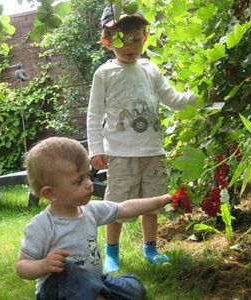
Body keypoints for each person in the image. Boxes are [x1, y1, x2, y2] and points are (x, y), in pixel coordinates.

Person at [87, 4, 197, 273]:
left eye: (136, 39)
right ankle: (112, 253)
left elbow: (173, 99)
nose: (130, 46)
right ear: (106, 41)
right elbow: (93, 114)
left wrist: (199, 97)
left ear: (145, 37)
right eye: (121, 40)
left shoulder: (151, 70)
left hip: (152, 151)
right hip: (120, 154)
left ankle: (150, 248)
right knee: (117, 206)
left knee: (153, 201)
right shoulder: (104, 73)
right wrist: (95, 150)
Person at [15, 137, 172, 300]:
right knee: (71, 272)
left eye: (88, 175)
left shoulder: (90, 210)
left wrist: (161, 200)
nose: (89, 183)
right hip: (59, 290)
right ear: (51, 193)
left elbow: (124, 208)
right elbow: (21, 266)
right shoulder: (42, 226)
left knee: (134, 289)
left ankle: (101, 293)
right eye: (79, 180)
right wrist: (44, 265)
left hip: (95, 280)